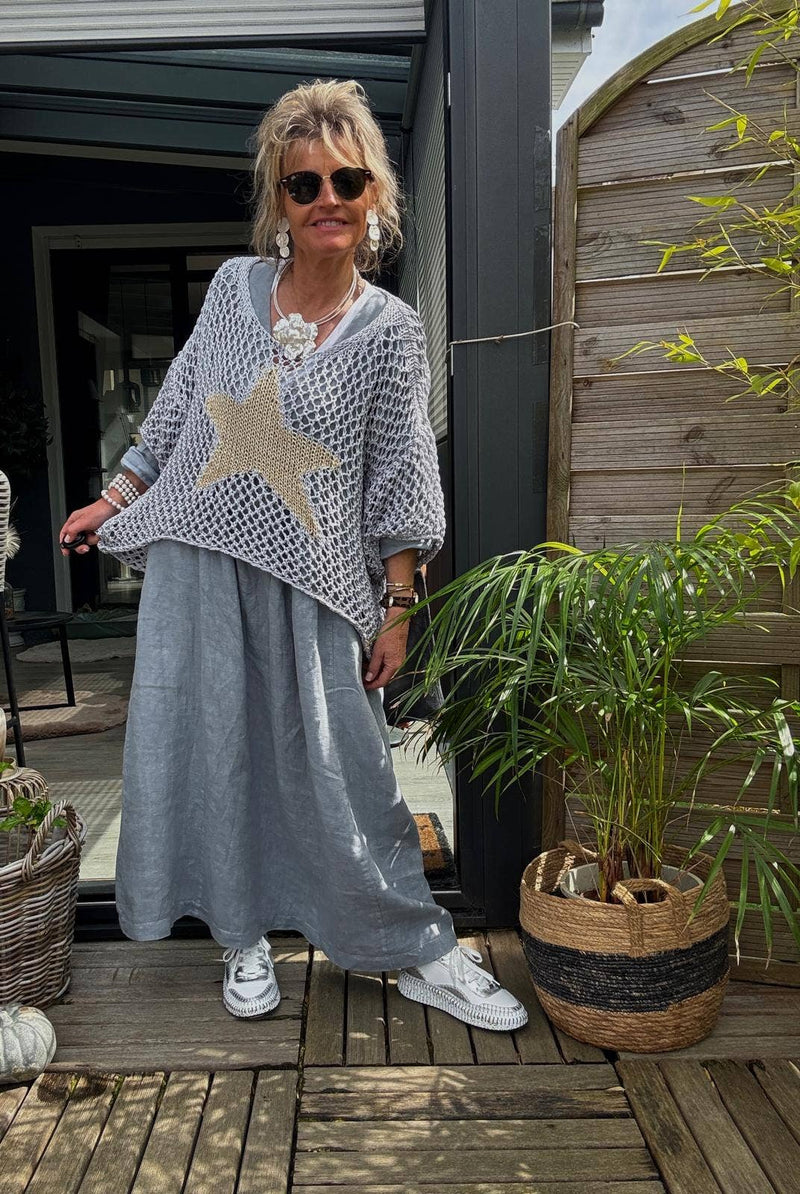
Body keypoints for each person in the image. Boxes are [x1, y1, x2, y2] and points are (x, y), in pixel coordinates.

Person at [58, 79, 527, 1033]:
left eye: (346, 181)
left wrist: (400, 609)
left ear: (374, 194)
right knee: (217, 751)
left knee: (347, 772)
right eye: (303, 184)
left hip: (318, 589)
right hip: (201, 571)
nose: (326, 200)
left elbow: (400, 478)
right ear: (279, 198)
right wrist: (113, 497)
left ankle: (412, 944)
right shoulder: (233, 291)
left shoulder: (391, 332)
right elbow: (176, 412)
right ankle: (242, 935)